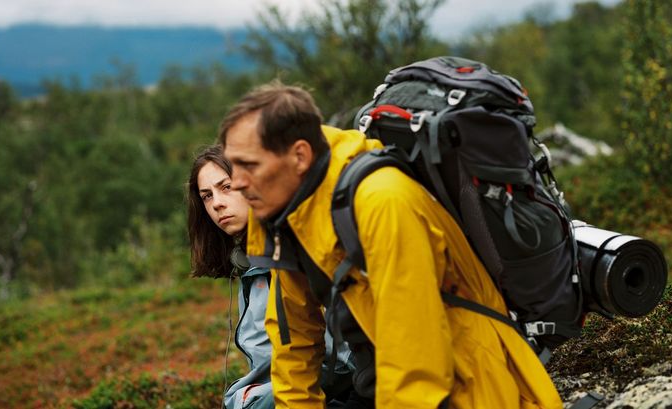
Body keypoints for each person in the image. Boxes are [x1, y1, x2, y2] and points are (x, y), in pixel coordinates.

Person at [220, 81, 564, 409]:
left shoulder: (382, 201)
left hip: (471, 388)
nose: (236, 183)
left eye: (249, 165)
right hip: (377, 385)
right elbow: (293, 341)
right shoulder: (284, 210)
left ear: (299, 156)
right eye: (233, 165)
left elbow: (416, 353)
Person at [187, 145, 358, 409]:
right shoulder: (250, 267)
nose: (217, 203)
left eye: (226, 187)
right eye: (207, 196)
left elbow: (343, 364)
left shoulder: (298, 253)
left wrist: (257, 401)